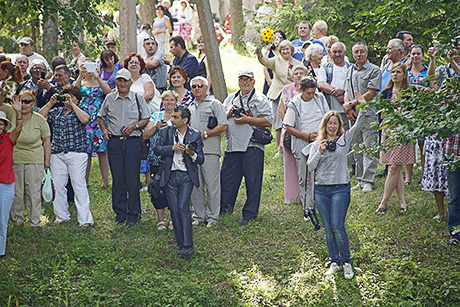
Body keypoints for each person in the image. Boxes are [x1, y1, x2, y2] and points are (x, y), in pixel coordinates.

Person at [307, 91, 368, 279]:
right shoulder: (317, 143)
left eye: (335, 123)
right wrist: (319, 151)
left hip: (340, 188)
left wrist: (363, 105)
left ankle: (346, 262)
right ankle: (334, 261)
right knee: (328, 227)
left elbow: (359, 125)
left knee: (338, 225)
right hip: (321, 190)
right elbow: (310, 166)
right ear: (324, 126)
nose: (332, 126)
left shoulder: (344, 140)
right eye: (329, 123)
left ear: (339, 125)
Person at [97, 69, 151, 226]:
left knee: (132, 179)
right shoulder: (109, 98)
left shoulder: (137, 98)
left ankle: (134, 214)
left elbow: (146, 118)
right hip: (115, 142)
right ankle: (120, 214)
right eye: (119, 80)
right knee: (118, 178)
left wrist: (134, 125)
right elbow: (101, 116)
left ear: (130, 82)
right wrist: (104, 130)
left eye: (125, 81)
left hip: (133, 142)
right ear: (116, 82)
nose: (122, 84)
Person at [220, 69, 273, 225]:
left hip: (252, 145)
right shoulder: (230, 98)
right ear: (238, 81)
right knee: (227, 179)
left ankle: (249, 214)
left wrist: (248, 119)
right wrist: (228, 113)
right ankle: (225, 209)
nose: (244, 82)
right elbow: (221, 119)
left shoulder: (260, 99)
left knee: (252, 182)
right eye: (242, 79)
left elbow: (269, 121)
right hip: (232, 145)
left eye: (248, 79)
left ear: (254, 82)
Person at [39, 85, 94, 228]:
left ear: (77, 99)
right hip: (57, 153)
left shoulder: (81, 110)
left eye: (71, 97)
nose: (67, 99)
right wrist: (51, 103)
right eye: (65, 96)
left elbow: (85, 120)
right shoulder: (56, 112)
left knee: (78, 183)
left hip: (77, 152)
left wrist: (73, 105)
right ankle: (61, 215)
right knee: (58, 184)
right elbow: (40, 116)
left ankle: (85, 219)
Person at [153, 105, 204, 259]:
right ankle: (181, 245)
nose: (172, 120)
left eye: (175, 117)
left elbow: (201, 159)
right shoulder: (165, 132)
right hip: (170, 176)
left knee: (183, 207)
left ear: (185, 120)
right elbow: (156, 149)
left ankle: (188, 245)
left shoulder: (195, 135)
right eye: (172, 116)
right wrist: (172, 148)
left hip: (186, 176)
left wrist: (191, 153)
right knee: (174, 209)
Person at [284, 77, 329, 223]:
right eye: (308, 93)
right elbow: (288, 127)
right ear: (301, 91)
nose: (311, 95)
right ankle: (307, 207)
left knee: (321, 175)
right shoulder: (294, 104)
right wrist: (306, 136)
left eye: (313, 92)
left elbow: (328, 117)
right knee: (304, 176)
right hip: (301, 142)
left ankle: (322, 205)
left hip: (319, 141)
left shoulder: (320, 99)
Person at [188, 76, 228, 227]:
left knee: (212, 185)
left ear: (206, 88)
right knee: (196, 185)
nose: (197, 88)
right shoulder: (190, 107)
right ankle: (198, 216)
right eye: (194, 86)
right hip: (193, 153)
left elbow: (224, 125)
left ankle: (212, 217)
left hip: (210, 151)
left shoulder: (215, 104)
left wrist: (205, 134)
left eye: (200, 85)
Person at [343, 42, 382, 193]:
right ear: (352, 55)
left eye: (361, 52)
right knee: (356, 146)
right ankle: (359, 179)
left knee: (369, 146)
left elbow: (371, 93)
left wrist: (352, 103)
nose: (359, 54)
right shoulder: (350, 69)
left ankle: (368, 181)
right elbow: (347, 89)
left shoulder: (374, 70)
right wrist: (348, 108)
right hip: (353, 114)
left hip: (368, 113)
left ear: (366, 53)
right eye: (356, 52)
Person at [375, 63, 414, 214]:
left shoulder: (410, 92)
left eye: (398, 72)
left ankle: (383, 203)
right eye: (392, 72)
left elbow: (412, 114)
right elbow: (381, 116)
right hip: (389, 132)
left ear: (404, 75)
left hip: (403, 133)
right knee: (395, 167)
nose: (394, 75)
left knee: (394, 167)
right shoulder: (386, 93)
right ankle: (403, 202)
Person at [10, 90, 51, 229]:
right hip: (15, 159)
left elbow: (46, 140)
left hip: (35, 159)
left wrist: (47, 160)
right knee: (17, 192)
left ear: (34, 103)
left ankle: (35, 222)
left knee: (33, 192)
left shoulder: (39, 119)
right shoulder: (12, 116)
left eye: (28, 101)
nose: (24, 104)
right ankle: (17, 221)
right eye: (21, 101)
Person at [256, 40, 302, 154]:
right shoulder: (276, 60)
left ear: (291, 50)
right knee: (278, 123)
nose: (285, 51)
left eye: (287, 49)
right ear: (279, 51)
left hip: (293, 95)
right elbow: (265, 62)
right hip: (277, 94)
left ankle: (292, 147)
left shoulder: (298, 64)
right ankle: (280, 149)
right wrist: (259, 54)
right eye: (282, 49)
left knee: (292, 121)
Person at [143, 90, 177, 230]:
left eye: (172, 100)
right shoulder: (156, 115)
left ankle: (173, 219)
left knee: (174, 188)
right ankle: (161, 220)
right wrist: (156, 126)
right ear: (163, 102)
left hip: (174, 158)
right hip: (156, 159)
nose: (169, 103)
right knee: (156, 188)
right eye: (166, 100)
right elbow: (145, 135)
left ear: (176, 102)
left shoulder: (178, 116)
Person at [74, 59, 111, 187]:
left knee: (102, 151)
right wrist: (80, 75)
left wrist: (98, 77)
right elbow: (73, 92)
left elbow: (108, 92)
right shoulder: (81, 82)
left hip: (99, 119)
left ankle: (105, 181)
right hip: (85, 120)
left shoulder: (102, 83)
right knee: (86, 152)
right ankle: (85, 180)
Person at [124, 53, 155, 191]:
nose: (134, 64)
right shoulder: (123, 80)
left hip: (144, 116)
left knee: (145, 147)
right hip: (128, 118)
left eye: (137, 62)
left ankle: (148, 181)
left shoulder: (145, 78)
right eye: (131, 62)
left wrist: (132, 101)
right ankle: (133, 180)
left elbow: (149, 94)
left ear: (141, 65)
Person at [278, 66, 308, 204]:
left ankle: (308, 195)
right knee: (290, 164)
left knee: (307, 164)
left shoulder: (310, 90)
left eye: (301, 73)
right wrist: (288, 125)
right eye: (296, 73)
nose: (298, 76)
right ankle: (292, 196)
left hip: (307, 130)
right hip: (289, 130)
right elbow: (281, 109)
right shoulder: (287, 90)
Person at [0, 100, 22, 256]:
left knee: (2, 221)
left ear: (5, 127)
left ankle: (0, 252)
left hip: (5, 184)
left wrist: (18, 112)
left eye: (1, 124)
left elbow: (19, 128)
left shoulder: (9, 139)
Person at [318, 42, 352, 130]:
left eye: (340, 52)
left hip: (349, 110)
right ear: (330, 53)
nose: (337, 54)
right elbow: (321, 83)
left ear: (345, 52)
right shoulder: (325, 67)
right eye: (334, 52)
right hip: (330, 110)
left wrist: (344, 93)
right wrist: (336, 93)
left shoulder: (352, 68)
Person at [262, 30, 286, 95]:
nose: (278, 39)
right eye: (275, 38)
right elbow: (265, 68)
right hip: (270, 79)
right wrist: (269, 81)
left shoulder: (286, 52)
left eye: (280, 37)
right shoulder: (269, 52)